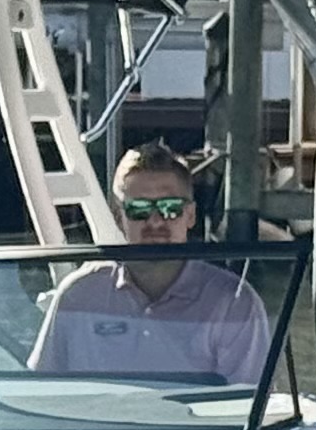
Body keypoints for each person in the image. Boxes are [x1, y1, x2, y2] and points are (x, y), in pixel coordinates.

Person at [30, 144, 274, 385]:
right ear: (118, 217)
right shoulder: (77, 296)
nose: (155, 222)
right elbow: (40, 392)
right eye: (139, 209)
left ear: (190, 215)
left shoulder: (235, 303)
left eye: (170, 208)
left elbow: (248, 401)